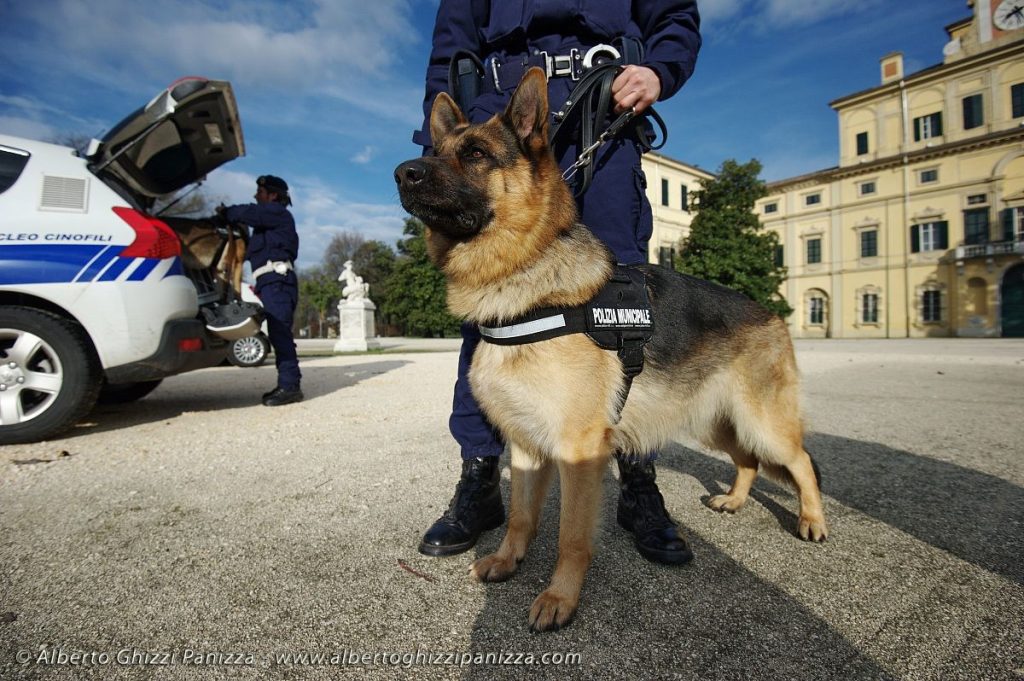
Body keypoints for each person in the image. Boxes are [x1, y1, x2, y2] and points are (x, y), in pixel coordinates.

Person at [413, 1, 702, 564]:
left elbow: (674, 15)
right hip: (497, 113)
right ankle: (479, 474)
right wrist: (442, 156)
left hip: (606, 103)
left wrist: (660, 71)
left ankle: (636, 479)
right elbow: (450, 42)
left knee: (622, 302)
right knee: (490, 299)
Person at [219, 175, 303, 407]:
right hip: (269, 282)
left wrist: (226, 212)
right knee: (278, 332)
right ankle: (288, 383)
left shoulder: (275, 212)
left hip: (277, 280)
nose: (256, 196)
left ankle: (290, 386)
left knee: (279, 332)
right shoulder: (266, 226)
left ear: (273, 196)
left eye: (261, 192)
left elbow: (245, 213)